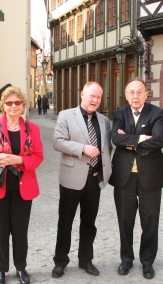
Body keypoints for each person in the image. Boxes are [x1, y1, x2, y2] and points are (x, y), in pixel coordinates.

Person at [0, 86, 44, 284]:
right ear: (3, 106)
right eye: (9, 103)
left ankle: (21, 268)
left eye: (17, 103)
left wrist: (18, 159)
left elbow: (38, 157)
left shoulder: (32, 129)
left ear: (23, 105)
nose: (13, 106)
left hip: (23, 186)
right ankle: (0, 269)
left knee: (19, 230)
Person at [109, 78, 163, 279]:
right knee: (125, 220)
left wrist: (130, 140)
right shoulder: (119, 113)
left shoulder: (156, 113)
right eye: (131, 93)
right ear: (126, 95)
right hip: (124, 176)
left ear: (146, 94)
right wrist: (143, 138)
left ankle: (147, 262)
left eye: (139, 92)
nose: (135, 96)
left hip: (150, 175)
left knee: (150, 220)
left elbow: (159, 140)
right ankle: (126, 259)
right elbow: (115, 138)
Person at [51, 81, 112, 278]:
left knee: (89, 223)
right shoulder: (66, 115)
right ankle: (60, 261)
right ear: (82, 94)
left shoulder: (104, 121)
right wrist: (82, 148)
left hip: (94, 180)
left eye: (98, 97)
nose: (95, 100)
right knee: (65, 222)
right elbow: (58, 142)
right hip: (71, 178)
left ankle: (86, 260)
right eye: (91, 96)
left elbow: (107, 147)